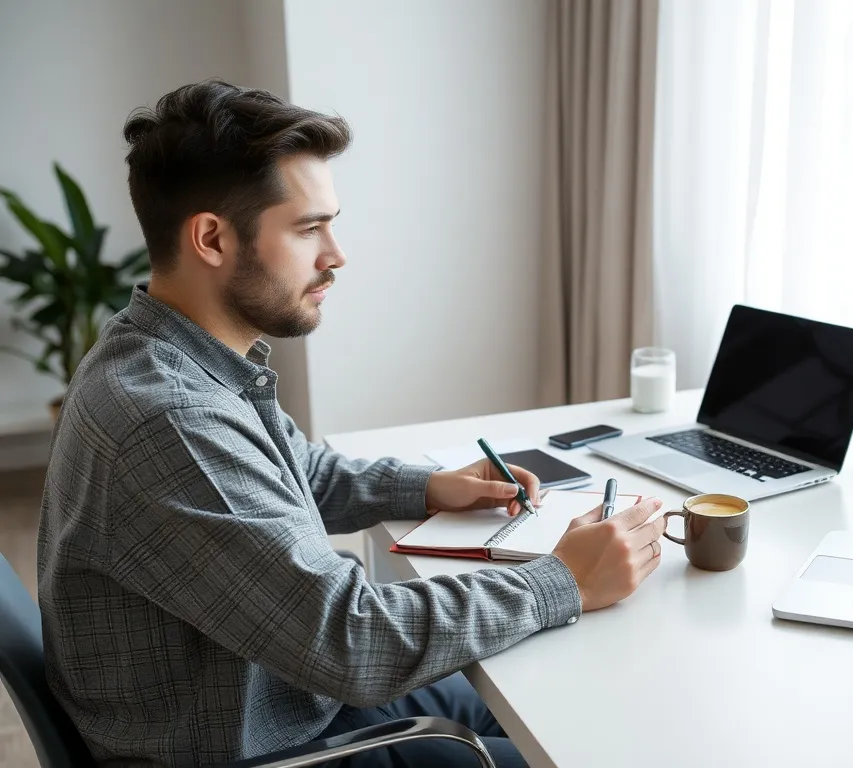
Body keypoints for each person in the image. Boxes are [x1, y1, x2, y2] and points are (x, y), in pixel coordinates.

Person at [36, 80, 667, 768]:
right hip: (265, 745)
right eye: (309, 229)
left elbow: (291, 473)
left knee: (565, 701)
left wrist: (427, 488)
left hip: (282, 695)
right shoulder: (169, 419)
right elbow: (352, 643)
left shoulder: (176, 355)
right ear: (212, 238)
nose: (336, 254)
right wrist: (562, 580)